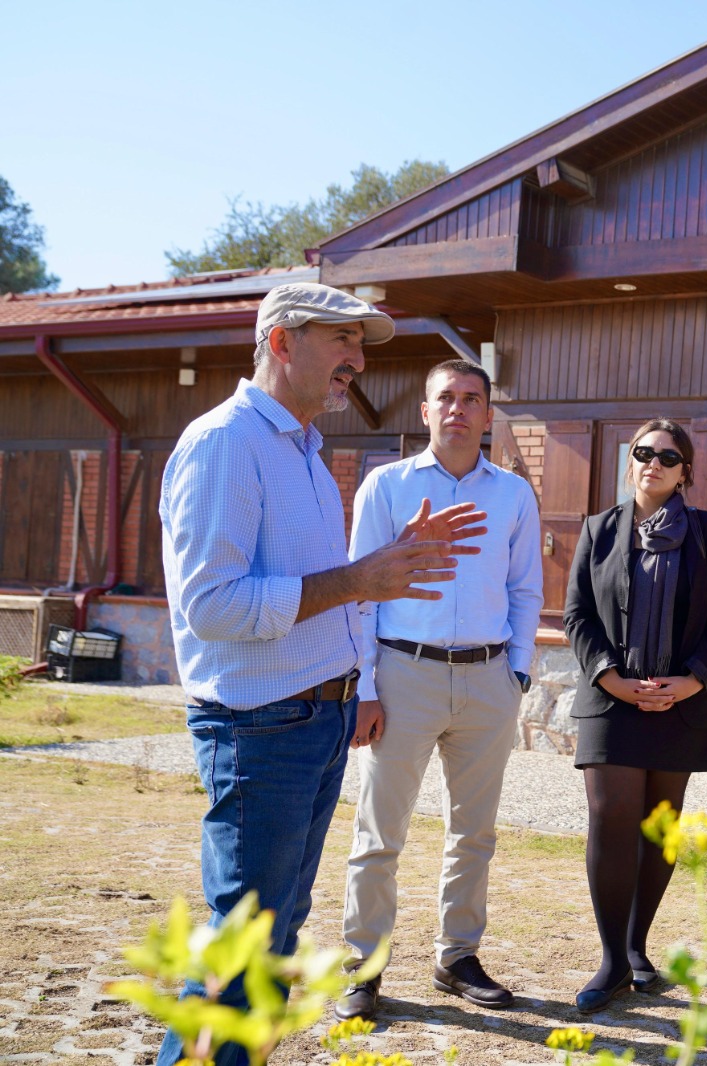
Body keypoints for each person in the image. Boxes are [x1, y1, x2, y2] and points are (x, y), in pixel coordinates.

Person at [156, 283, 485, 1066]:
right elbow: (212, 606)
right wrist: (355, 580)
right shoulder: (226, 442)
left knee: (272, 935)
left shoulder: (298, 446)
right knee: (245, 943)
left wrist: (379, 568)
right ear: (280, 343)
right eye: (341, 341)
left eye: (361, 346)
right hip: (259, 726)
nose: (357, 362)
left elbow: (306, 585)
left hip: (313, 721)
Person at [335, 359, 543, 1020]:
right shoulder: (385, 487)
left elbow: (524, 589)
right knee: (379, 833)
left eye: (471, 399)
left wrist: (515, 673)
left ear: (488, 415)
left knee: (474, 833)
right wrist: (365, 687)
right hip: (403, 675)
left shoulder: (513, 494)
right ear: (424, 411)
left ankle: (457, 957)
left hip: (487, 681)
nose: (457, 409)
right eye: (445, 398)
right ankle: (363, 967)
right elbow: (359, 594)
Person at [562, 418, 707, 1013]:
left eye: (669, 456)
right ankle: (612, 961)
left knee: (658, 827)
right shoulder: (599, 529)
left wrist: (691, 680)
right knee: (611, 814)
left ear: (685, 470)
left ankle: (637, 947)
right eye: (644, 453)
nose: (654, 463)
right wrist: (610, 677)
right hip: (611, 696)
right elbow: (578, 615)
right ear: (630, 461)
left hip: (683, 701)